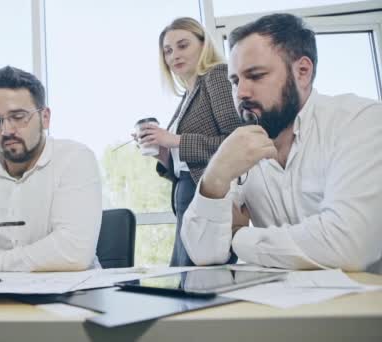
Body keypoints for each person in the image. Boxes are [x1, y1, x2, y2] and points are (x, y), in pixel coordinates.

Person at [181, 13, 382, 273]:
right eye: (235, 80)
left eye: (255, 75)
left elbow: (347, 245)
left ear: (302, 71)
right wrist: (216, 176)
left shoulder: (361, 121)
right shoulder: (241, 151)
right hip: (283, 308)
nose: (240, 92)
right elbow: (204, 253)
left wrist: (237, 237)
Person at [0, 66, 102, 272]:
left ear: (45, 118)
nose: (6, 130)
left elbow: (74, 251)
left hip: (75, 294)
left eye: (18, 116)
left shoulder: (75, 159)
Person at [137, 17, 242, 266]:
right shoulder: (187, 95)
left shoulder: (216, 76)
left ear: (203, 44)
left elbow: (236, 142)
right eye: (168, 51)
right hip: (187, 192)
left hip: (207, 193)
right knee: (186, 278)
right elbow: (183, 164)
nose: (174, 55)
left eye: (183, 45)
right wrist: (163, 153)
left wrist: (174, 139)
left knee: (198, 279)